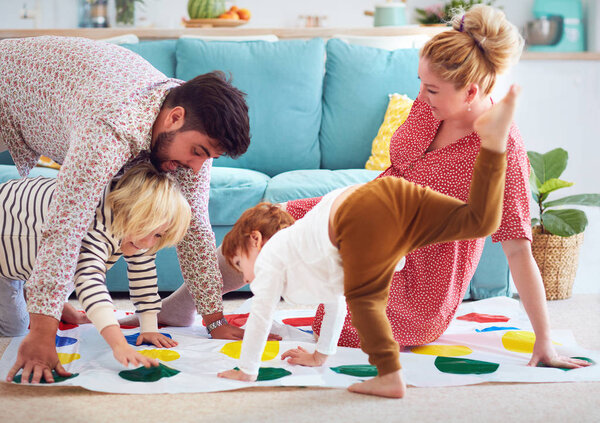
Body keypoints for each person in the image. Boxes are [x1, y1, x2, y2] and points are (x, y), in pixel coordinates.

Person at [275, 5, 589, 371]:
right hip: (371, 217)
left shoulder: (502, 148)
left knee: (337, 323)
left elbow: (518, 251)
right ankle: (207, 311)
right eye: (421, 83)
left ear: (470, 91)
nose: (420, 96)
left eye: (432, 89)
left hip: (423, 284)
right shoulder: (430, 106)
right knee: (272, 218)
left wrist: (544, 342)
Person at [217, 85, 543, 398]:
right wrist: (321, 355)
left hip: (370, 215)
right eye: (423, 86)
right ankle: (493, 146)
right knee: (479, 220)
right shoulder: (430, 105)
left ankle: (389, 376)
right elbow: (335, 298)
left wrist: (247, 371)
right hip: (388, 202)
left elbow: (261, 313)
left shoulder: (272, 254)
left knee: (362, 297)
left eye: (241, 267)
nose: (246, 280)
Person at [0, 35, 250, 384]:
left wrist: (215, 320)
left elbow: (195, 229)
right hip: (8, 80)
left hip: (65, 94)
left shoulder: (191, 133)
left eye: (207, 157)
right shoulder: (108, 131)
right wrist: (43, 331)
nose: (196, 167)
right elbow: (65, 225)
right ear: (174, 118)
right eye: (198, 151)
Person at [0, 163, 191, 373]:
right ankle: (32, 291)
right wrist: (119, 344)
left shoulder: (132, 226)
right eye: (147, 230)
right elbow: (90, 282)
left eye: (158, 235)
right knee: (14, 328)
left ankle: (40, 294)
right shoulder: (94, 226)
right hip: (6, 254)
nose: (148, 242)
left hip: (36, 255)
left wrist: (149, 328)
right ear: (130, 210)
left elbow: (143, 273)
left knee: (70, 265)